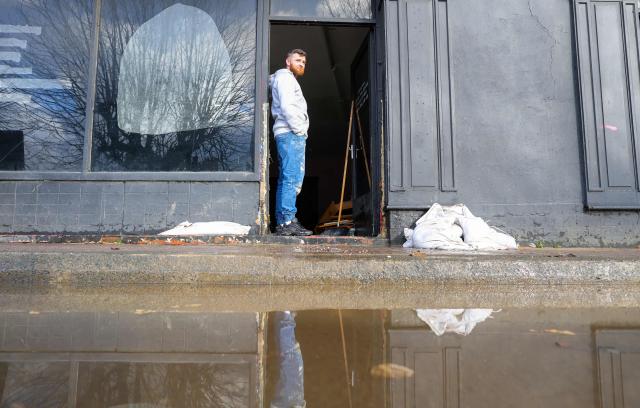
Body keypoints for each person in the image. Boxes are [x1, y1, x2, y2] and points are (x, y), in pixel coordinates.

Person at [270, 49, 313, 236]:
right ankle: (288, 220)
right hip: (290, 133)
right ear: (288, 61)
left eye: (304, 61)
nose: (301, 64)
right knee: (291, 178)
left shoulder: (285, 79)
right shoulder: (286, 78)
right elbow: (287, 106)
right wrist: (299, 129)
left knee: (285, 179)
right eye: (298, 60)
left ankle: (282, 223)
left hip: (286, 133)